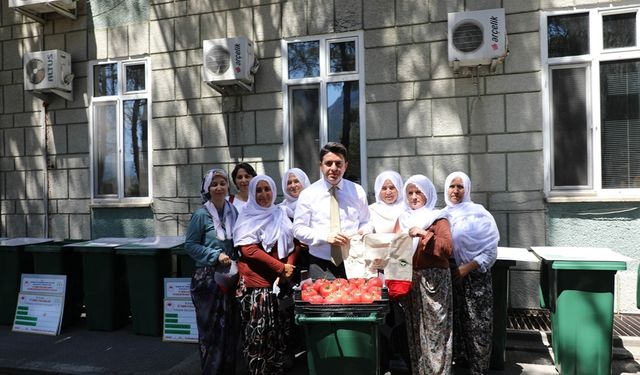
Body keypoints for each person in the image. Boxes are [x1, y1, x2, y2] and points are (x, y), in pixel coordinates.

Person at [233, 175, 298, 375]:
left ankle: (275, 370)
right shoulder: (247, 215)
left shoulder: (281, 212)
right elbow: (248, 250)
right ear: (252, 193)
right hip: (256, 286)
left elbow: (295, 243)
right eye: (258, 190)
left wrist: (289, 267)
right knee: (257, 336)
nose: (264, 194)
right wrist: (280, 267)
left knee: (277, 334)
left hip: (278, 284)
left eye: (267, 189)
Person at [394, 174, 453, 375]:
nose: (413, 197)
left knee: (436, 331)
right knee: (415, 331)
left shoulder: (437, 218)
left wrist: (424, 235)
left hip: (434, 282)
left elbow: (447, 249)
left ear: (427, 193)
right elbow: (394, 249)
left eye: (418, 192)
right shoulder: (403, 219)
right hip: (411, 281)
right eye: (409, 192)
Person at [184, 168, 240, 375]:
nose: (219, 187)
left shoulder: (233, 211)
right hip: (207, 280)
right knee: (211, 331)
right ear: (207, 189)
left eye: (222, 183)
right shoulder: (201, 214)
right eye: (214, 184)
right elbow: (189, 245)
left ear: (227, 187)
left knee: (230, 330)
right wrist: (214, 255)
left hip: (230, 277)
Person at [443, 171, 499, 375]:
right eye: (452, 186)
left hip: (476, 277)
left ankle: (479, 370)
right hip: (451, 276)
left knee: (478, 325)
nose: (455, 191)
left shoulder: (479, 213)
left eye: (460, 186)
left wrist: (468, 267)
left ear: (467, 189)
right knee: (455, 325)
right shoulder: (443, 215)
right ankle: (461, 365)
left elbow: (491, 248)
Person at [293, 142, 371, 280]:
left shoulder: (357, 191)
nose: (333, 168)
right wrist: (325, 237)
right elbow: (298, 229)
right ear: (321, 165)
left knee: (355, 301)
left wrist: (363, 232)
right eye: (329, 163)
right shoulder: (308, 194)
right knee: (323, 302)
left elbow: (366, 222)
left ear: (345, 165)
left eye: (338, 163)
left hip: (354, 261)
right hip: (320, 263)